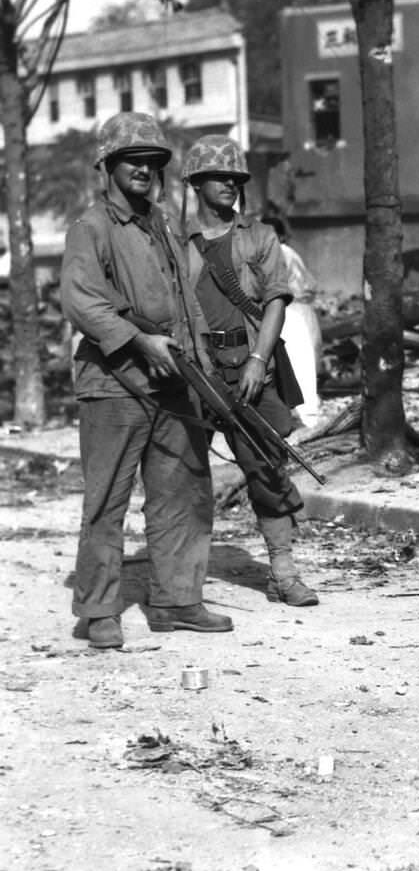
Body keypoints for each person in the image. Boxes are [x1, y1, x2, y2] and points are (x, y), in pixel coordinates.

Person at [60, 111, 229, 648]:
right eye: (133, 160)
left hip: (173, 380)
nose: (144, 169)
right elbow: (81, 301)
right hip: (114, 384)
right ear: (108, 166)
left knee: (183, 490)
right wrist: (140, 341)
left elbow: (186, 302)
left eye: (153, 162)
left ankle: (177, 600)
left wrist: (200, 361)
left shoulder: (162, 225)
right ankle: (100, 610)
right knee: (108, 499)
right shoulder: (92, 228)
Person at [182, 135, 319, 608]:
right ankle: (182, 582)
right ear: (196, 183)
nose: (230, 185)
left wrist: (259, 361)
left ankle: (283, 572)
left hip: (249, 363)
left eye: (236, 178)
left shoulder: (259, 237)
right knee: (183, 475)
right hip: (195, 371)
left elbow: (276, 299)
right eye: (219, 177)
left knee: (267, 468)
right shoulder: (179, 245)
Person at [263, 216, 323, 431]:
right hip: (288, 310)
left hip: (294, 311)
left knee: (301, 363)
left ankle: (308, 417)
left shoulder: (283, 252)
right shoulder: (271, 253)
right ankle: (296, 413)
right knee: (290, 363)